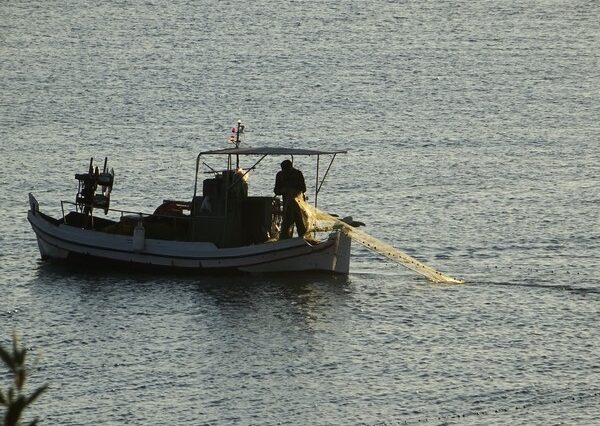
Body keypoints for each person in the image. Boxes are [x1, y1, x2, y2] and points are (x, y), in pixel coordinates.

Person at [274, 159, 309, 239]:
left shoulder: (298, 174)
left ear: (291, 168)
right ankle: (285, 242)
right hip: (287, 205)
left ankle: (303, 241)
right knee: (285, 226)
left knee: (300, 225)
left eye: (287, 170)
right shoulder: (279, 175)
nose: (285, 173)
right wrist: (283, 191)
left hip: (298, 205)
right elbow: (276, 190)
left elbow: (303, 188)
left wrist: (294, 191)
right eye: (283, 171)